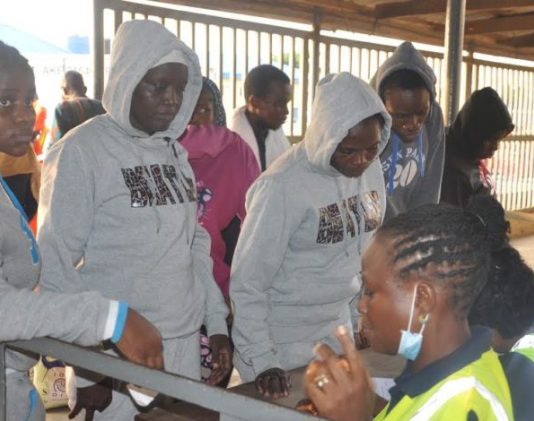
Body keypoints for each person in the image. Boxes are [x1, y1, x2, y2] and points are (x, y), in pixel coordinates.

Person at [38, 20, 231, 420]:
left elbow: (194, 246)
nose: (171, 100)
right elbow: (55, 265)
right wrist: (88, 368)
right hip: (116, 351)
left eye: (180, 88)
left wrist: (216, 322)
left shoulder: (174, 155)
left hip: (179, 344)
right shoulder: (82, 152)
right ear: (126, 80)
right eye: (157, 86)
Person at [0, 39, 164, 421]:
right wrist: (108, 319)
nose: (24, 116)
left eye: (28, 100)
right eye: (5, 102)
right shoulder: (76, 153)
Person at [230, 72, 392, 399]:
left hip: (337, 330)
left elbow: (359, 253)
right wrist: (262, 360)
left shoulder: (370, 169)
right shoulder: (281, 187)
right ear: (327, 138)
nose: (361, 161)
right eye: (349, 151)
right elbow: (248, 282)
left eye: (371, 149)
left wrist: (356, 324)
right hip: (282, 342)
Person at [304, 203, 513, 421]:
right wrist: (366, 401)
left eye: (371, 292)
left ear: (422, 299)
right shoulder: (438, 368)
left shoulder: (465, 407)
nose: (361, 305)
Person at [182, 77, 260, 384]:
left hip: (214, 293)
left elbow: (250, 228)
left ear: (217, 110)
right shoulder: (154, 153)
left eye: (204, 109)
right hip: (199, 292)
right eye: (186, 109)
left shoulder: (235, 153)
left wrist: (233, 296)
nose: (195, 121)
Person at [371, 41, 445, 221]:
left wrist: (420, 229)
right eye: (400, 116)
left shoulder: (434, 118)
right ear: (382, 105)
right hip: (373, 229)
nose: (413, 124)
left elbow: (431, 184)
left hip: (409, 228)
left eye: (421, 112)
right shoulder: (370, 122)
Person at [440, 87, 514, 207]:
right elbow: (454, 217)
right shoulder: (454, 174)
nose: (496, 147)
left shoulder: (468, 155)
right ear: (474, 134)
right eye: (490, 140)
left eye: (498, 140)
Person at [228, 64, 291, 171]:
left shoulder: (275, 133)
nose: (286, 111)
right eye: (279, 105)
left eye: (286, 103)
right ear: (254, 103)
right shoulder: (230, 143)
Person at [47, 70, 105, 148]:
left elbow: (54, 147)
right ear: (85, 89)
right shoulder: (102, 106)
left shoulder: (63, 109)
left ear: (64, 91)